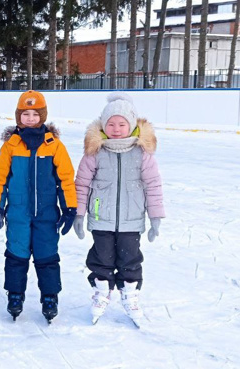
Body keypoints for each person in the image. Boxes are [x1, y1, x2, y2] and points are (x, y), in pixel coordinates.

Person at [73, 92, 165, 327]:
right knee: (101, 258)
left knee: (130, 260)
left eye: (122, 124)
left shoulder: (142, 153)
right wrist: (79, 214)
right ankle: (102, 292)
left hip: (131, 219)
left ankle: (130, 295)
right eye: (111, 123)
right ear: (103, 125)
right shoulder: (95, 152)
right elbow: (81, 184)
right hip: (100, 218)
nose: (116, 128)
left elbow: (153, 185)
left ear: (131, 124)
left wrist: (155, 217)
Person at [0, 90, 77, 323]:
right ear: (18, 117)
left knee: (47, 256)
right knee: (16, 255)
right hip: (17, 213)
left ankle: (50, 296)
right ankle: (15, 295)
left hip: (47, 214)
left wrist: (69, 208)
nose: (29, 118)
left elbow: (65, 179)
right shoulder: (10, 146)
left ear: (42, 116)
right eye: (25, 114)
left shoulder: (54, 146)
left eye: (35, 114)